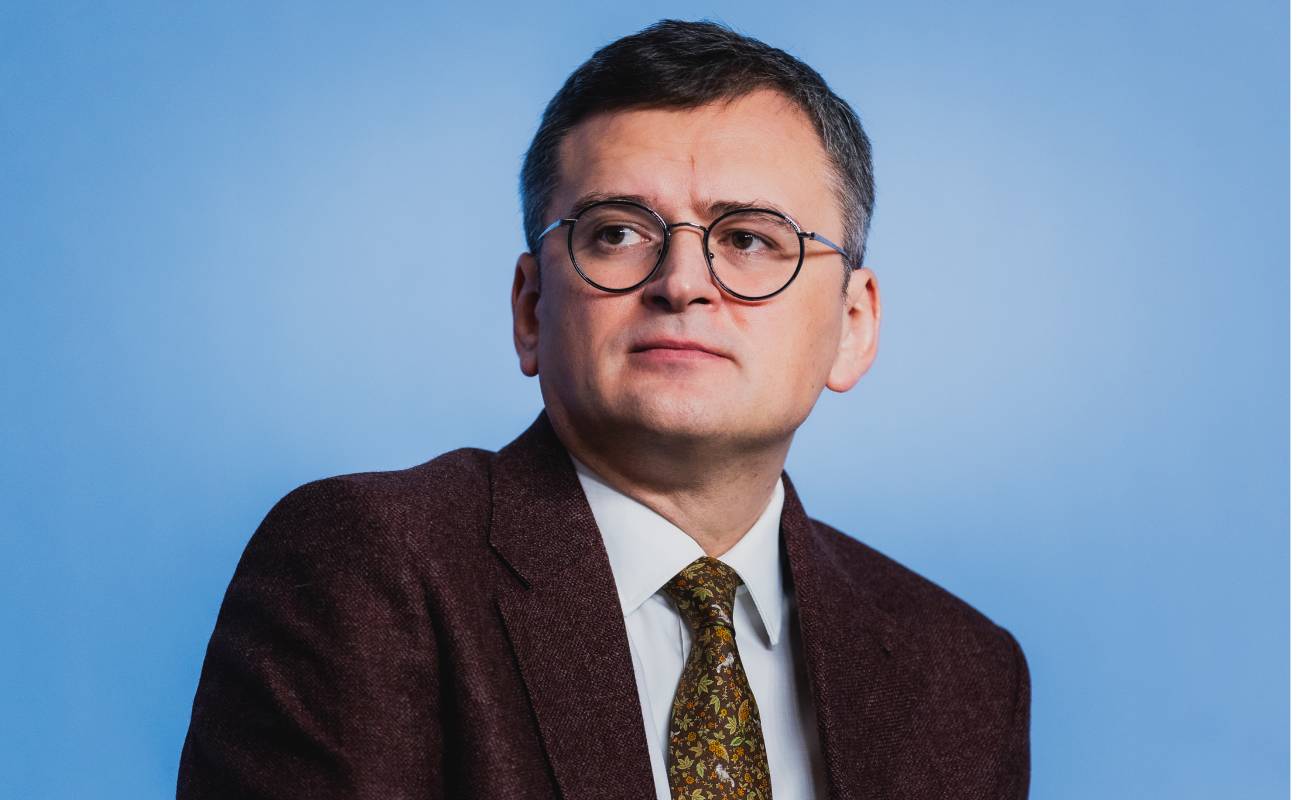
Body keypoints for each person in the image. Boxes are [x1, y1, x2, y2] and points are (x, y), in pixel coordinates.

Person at [177, 19, 1030, 800]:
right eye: (617, 232)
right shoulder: (370, 567)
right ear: (530, 309)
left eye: (750, 239)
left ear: (853, 325)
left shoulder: (963, 672)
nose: (683, 283)